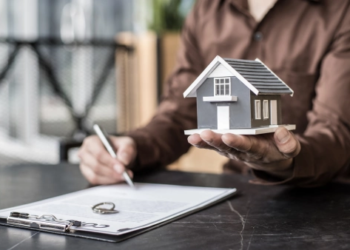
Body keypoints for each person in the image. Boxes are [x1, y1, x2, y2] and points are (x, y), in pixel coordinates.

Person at [78, 0, 350, 187]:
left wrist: (285, 161)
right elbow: (179, 113)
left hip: (324, 200)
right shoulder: (205, 10)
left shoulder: (340, 10)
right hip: (236, 199)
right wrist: (132, 146)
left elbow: (336, 131)